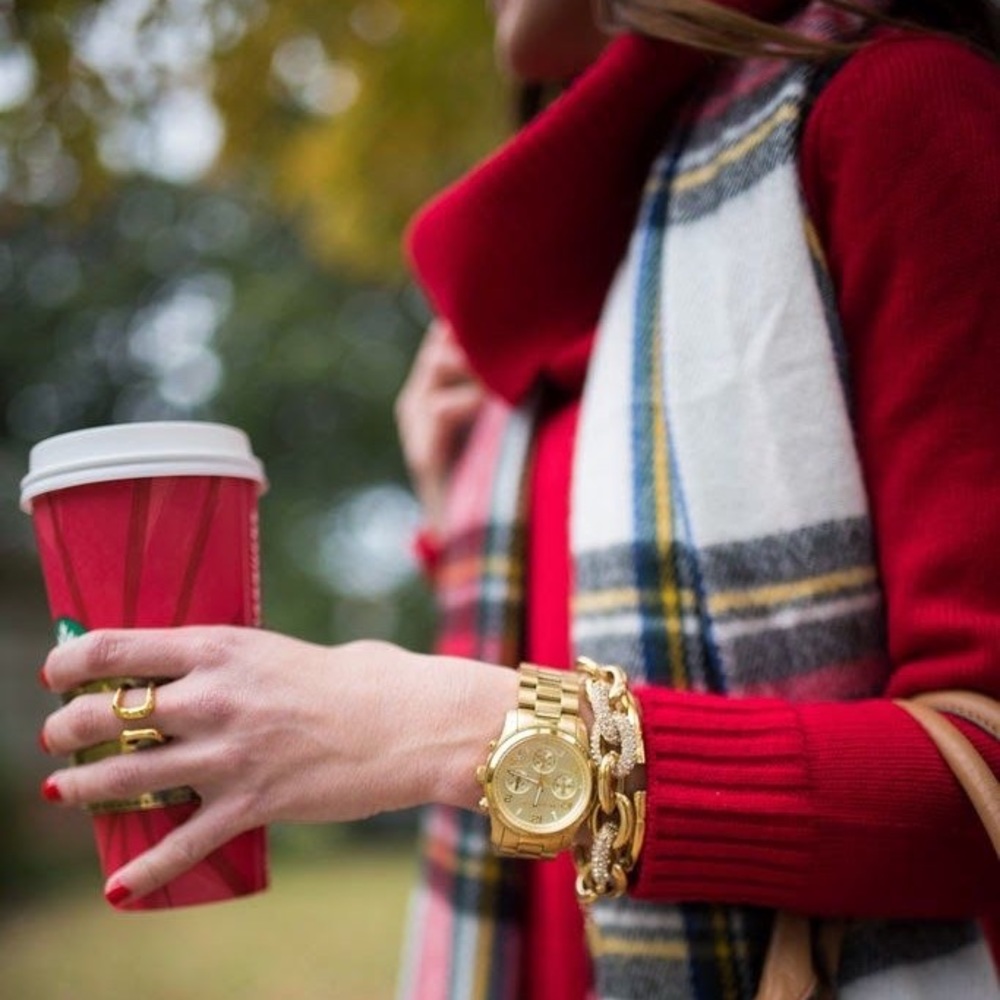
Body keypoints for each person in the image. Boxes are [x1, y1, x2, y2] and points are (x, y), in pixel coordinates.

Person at [38, 0, 999, 997]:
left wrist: (460, 733)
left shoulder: (900, 109)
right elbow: (571, 648)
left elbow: (981, 763)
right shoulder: (584, 249)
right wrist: (453, 518)